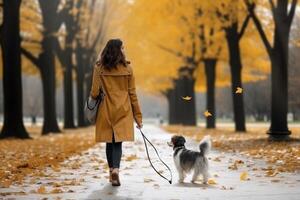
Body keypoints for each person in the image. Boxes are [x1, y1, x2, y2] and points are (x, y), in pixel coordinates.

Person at [90, 39, 143, 186]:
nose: (124, 50)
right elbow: (133, 94)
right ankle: (116, 171)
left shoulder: (99, 67)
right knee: (117, 142)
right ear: (119, 50)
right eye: (123, 48)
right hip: (123, 109)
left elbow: (94, 92)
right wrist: (138, 117)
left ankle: (111, 170)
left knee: (109, 141)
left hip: (105, 108)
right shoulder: (128, 69)